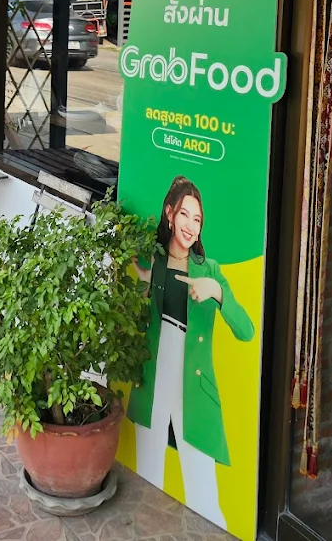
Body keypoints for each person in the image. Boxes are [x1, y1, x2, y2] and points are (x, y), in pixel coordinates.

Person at [129, 175, 254, 529]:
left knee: (205, 498)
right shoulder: (152, 260)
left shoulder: (209, 270)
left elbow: (246, 331)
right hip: (152, 380)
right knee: (147, 477)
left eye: (197, 219)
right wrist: (142, 285)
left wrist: (217, 291)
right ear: (170, 214)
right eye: (185, 215)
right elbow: (133, 322)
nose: (190, 225)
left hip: (194, 390)